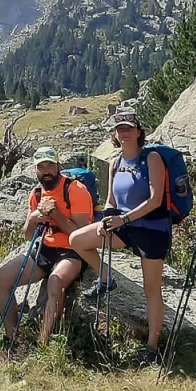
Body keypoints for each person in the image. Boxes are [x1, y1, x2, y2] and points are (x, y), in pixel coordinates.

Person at [71, 110, 170, 365]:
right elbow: (111, 199)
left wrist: (124, 219)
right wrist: (107, 219)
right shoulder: (116, 162)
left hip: (152, 230)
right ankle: (106, 277)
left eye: (129, 128)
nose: (124, 133)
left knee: (151, 289)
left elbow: (155, 199)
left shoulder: (152, 158)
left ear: (139, 132)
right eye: (120, 129)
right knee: (77, 240)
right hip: (124, 226)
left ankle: (152, 347)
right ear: (115, 134)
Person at [0, 147, 92, 347]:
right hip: (44, 249)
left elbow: (82, 235)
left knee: (55, 282)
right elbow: (29, 235)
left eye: (50, 166)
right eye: (41, 167)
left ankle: (42, 343)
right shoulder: (36, 193)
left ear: (58, 167)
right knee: (0, 278)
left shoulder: (75, 190)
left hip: (73, 252)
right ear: (36, 170)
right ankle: (12, 337)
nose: (46, 171)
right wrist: (33, 219)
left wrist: (55, 214)